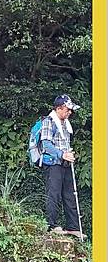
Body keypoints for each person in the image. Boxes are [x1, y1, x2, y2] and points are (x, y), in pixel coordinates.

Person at [41, 94, 87, 240]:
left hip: (66, 164)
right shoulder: (49, 122)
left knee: (70, 194)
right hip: (53, 164)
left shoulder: (65, 123)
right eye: (67, 109)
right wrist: (62, 154)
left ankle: (73, 227)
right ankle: (52, 225)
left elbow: (65, 143)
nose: (70, 112)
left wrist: (69, 154)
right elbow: (46, 145)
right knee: (53, 194)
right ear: (59, 108)